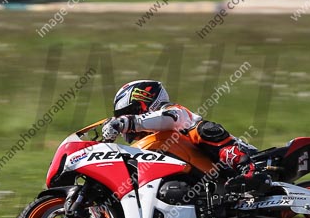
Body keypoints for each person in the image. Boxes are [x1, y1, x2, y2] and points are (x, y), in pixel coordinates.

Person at [101, 80, 270, 193]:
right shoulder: (154, 141)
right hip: (204, 179)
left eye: (127, 114)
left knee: (202, 129)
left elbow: (170, 118)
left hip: (237, 161)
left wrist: (126, 123)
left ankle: (249, 170)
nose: (124, 121)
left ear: (143, 101)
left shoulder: (173, 111)